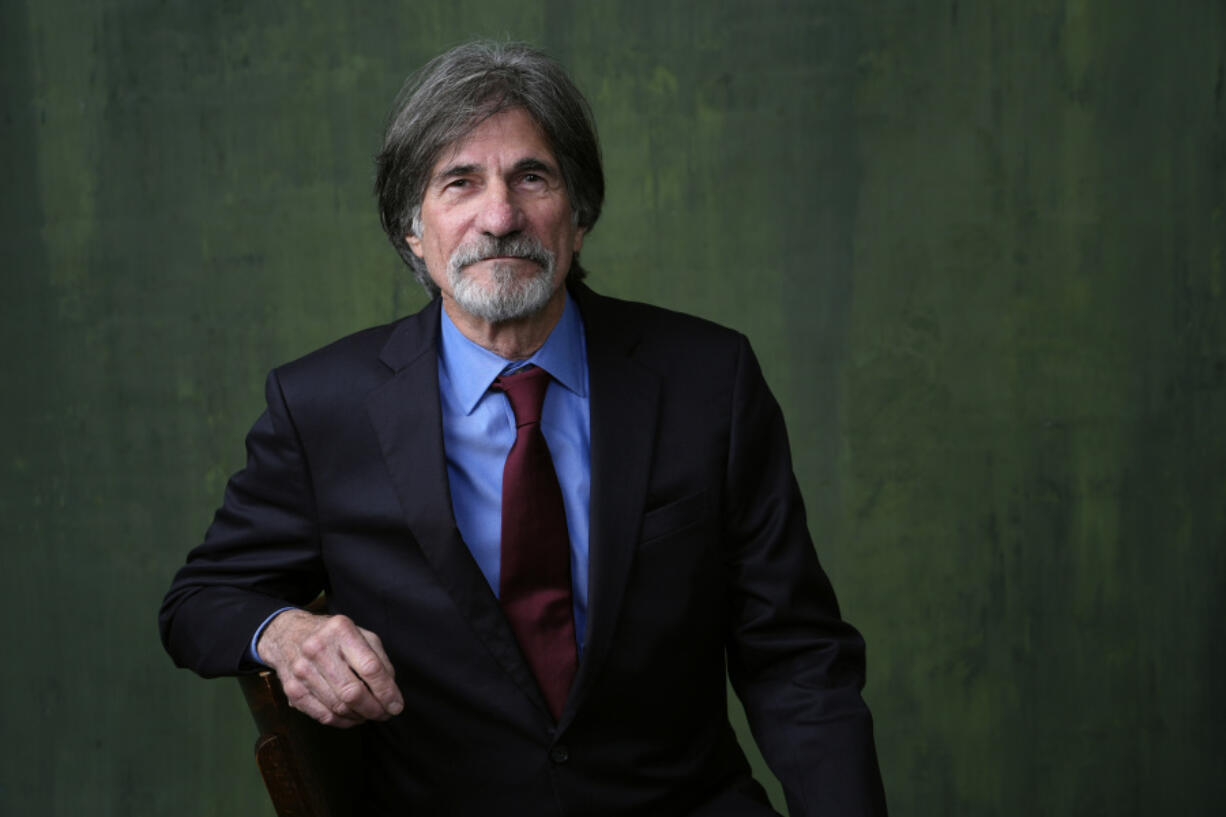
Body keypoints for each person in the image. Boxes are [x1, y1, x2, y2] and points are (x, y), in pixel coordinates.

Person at [160, 40, 887, 816]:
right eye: (460, 183)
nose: (500, 216)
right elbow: (201, 599)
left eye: (531, 177)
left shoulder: (710, 381)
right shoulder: (321, 407)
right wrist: (283, 632)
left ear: (579, 216)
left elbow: (797, 657)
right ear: (414, 230)